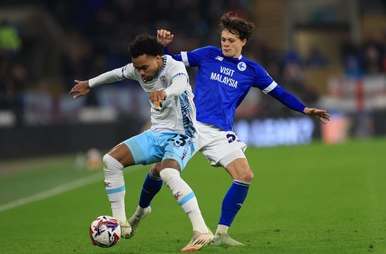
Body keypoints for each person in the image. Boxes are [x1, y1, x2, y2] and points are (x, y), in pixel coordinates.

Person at [127, 12, 331, 248]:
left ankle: (221, 234)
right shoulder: (207, 54)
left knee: (245, 175)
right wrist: (161, 48)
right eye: (223, 39)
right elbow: (168, 62)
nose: (225, 43)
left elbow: (279, 93)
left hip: (221, 132)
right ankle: (140, 213)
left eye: (230, 40)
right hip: (191, 125)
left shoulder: (252, 70)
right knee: (158, 169)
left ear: (243, 41)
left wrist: (304, 109)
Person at [69, 34, 213, 252]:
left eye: (145, 67)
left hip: (184, 134)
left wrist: (165, 92)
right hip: (156, 135)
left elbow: (181, 84)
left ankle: (201, 230)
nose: (142, 73)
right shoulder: (138, 70)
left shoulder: (174, 67)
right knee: (111, 160)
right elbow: (116, 74)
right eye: (138, 68)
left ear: (158, 57)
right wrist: (90, 83)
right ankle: (121, 223)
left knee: (167, 173)